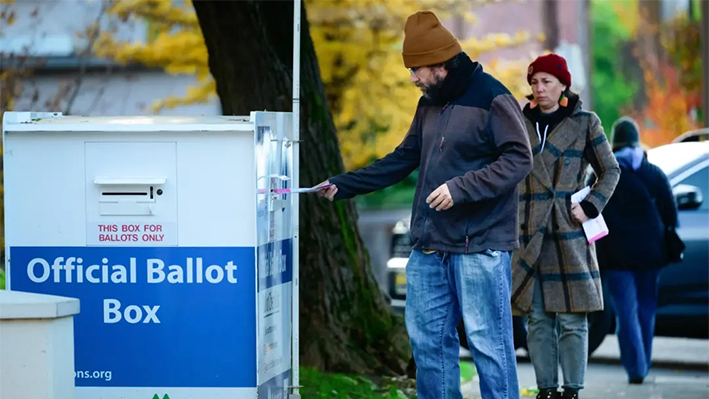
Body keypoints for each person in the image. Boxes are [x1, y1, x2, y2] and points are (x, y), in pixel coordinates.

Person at [318, 10, 533, 399]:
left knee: (490, 348)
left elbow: (519, 159)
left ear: (439, 63)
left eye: (416, 69)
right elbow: (403, 158)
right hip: (430, 248)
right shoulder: (430, 102)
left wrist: (460, 188)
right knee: (429, 349)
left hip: (479, 247)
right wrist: (344, 184)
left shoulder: (493, 98)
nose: (412, 78)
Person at [510, 53, 620, 399]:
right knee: (538, 318)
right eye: (534, 82)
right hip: (528, 232)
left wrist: (590, 206)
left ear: (563, 85)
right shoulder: (517, 122)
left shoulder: (585, 122)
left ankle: (571, 389)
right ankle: (546, 389)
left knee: (572, 319)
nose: (538, 88)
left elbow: (611, 170)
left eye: (546, 81)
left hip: (568, 231)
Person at [591, 116, 678, 384]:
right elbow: (671, 215)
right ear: (637, 141)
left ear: (613, 144)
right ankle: (644, 362)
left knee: (626, 312)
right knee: (646, 309)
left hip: (615, 257)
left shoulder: (604, 175)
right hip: (651, 255)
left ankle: (636, 368)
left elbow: (590, 209)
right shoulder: (653, 173)